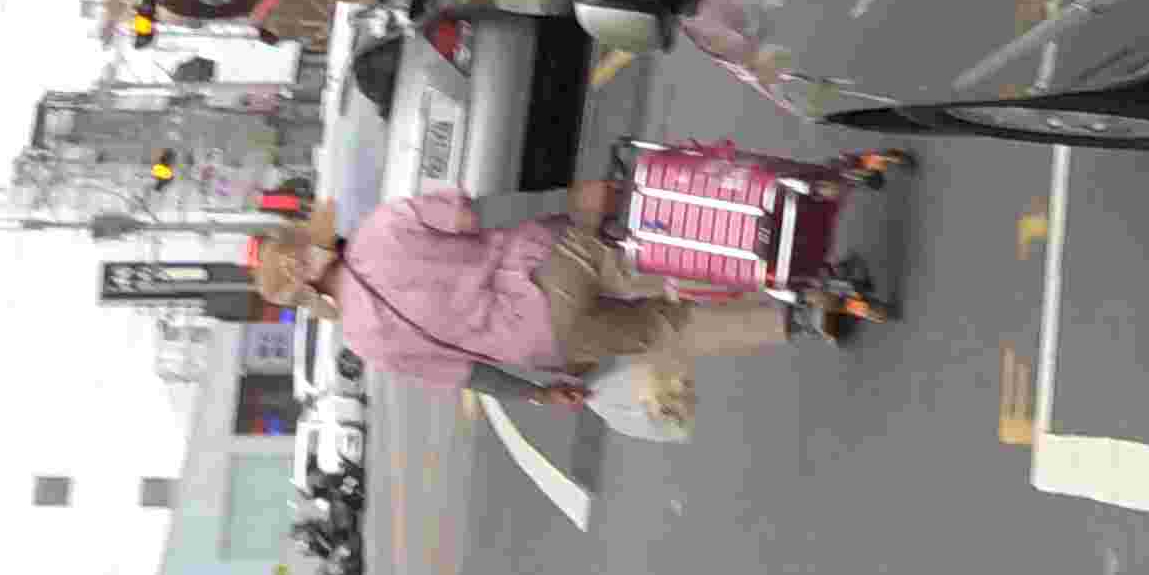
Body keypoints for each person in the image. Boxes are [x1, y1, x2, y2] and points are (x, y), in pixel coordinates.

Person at [244, 168, 806, 414]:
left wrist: (541, 394)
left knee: (666, 330)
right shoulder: (383, 226)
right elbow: (485, 213)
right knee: (663, 265)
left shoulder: (366, 342)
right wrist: (572, 198)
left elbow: (470, 374)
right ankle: (789, 265)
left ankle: (793, 321)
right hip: (548, 263)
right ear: (316, 241)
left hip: (544, 341)